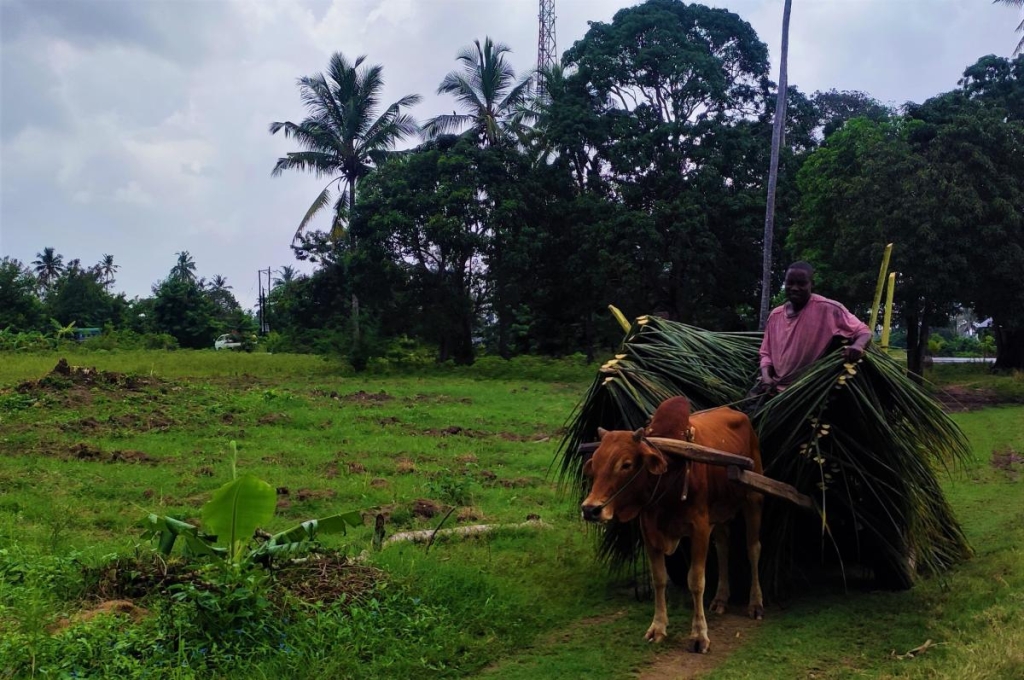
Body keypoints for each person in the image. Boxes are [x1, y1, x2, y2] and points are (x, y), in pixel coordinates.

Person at [757, 262, 871, 394]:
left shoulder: (828, 309)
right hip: (775, 389)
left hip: (807, 390)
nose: (794, 288)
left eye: (801, 283)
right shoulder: (775, 316)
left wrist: (858, 346)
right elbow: (765, 353)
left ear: (812, 284)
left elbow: (863, 331)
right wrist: (766, 377)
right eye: (790, 283)